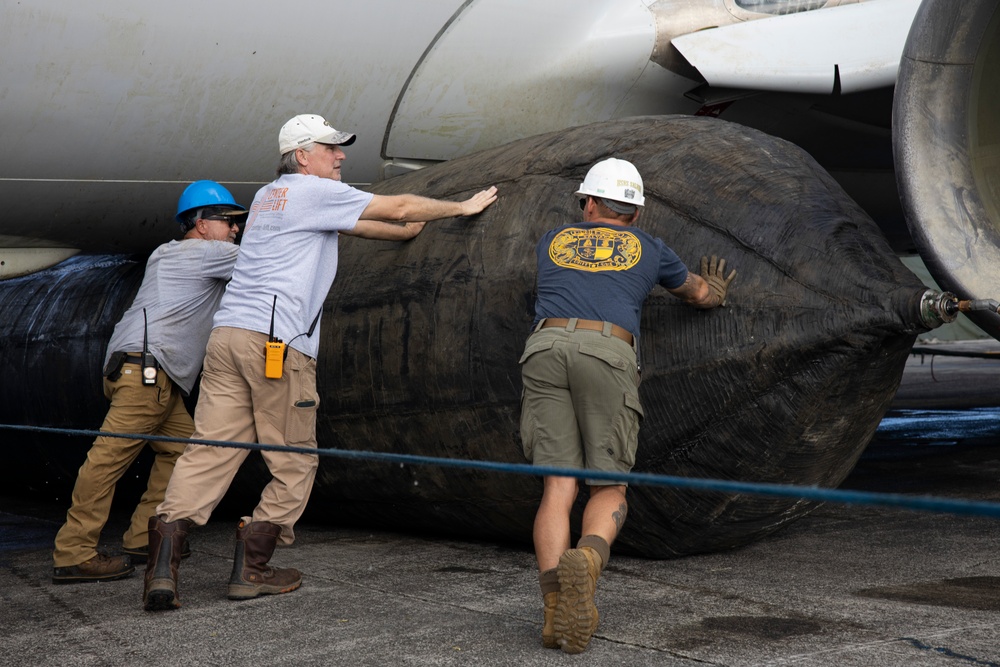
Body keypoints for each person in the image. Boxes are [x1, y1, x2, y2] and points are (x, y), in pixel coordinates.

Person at [143, 113, 498, 611]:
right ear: (303, 156)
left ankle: (161, 571)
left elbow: (372, 225)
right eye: (331, 148)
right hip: (276, 345)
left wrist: (407, 231)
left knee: (209, 452)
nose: (342, 155)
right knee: (294, 459)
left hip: (227, 339)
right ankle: (252, 568)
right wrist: (461, 207)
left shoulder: (271, 196)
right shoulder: (313, 191)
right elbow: (395, 205)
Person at [519, 158, 736, 653]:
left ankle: (554, 611)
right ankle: (588, 564)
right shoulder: (651, 248)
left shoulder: (551, 240)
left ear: (589, 204)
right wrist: (714, 293)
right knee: (611, 484)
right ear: (636, 213)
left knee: (557, 486)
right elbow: (698, 292)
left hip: (544, 349)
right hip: (607, 352)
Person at [52, 181, 246, 584]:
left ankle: (143, 535)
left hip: (147, 372)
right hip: (148, 373)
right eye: (227, 220)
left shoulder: (166, 253)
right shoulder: (208, 252)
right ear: (199, 224)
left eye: (236, 222)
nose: (235, 229)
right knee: (106, 461)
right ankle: (74, 551)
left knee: (183, 450)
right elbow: (264, 264)